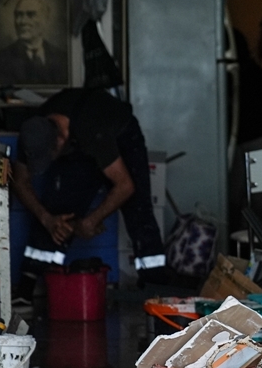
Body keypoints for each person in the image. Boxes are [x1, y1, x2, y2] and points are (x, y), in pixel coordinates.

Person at [11, 88, 167, 305]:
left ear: (61, 139)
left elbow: (125, 185)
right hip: (80, 143)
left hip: (119, 134)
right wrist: (47, 219)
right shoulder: (33, 132)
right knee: (58, 210)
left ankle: (157, 288)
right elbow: (20, 181)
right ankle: (25, 287)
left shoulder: (91, 129)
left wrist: (91, 220)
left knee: (138, 211)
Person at [0, 0, 68, 86]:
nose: (23, 21)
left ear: (46, 19)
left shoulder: (62, 58)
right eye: (18, 15)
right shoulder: (0, 60)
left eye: (31, 15)